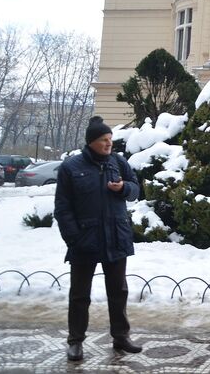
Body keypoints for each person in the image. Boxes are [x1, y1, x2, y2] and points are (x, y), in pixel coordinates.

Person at [53, 116, 142, 362]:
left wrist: (124, 188)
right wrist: (74, 238)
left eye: (110, 139)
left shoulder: (118, 162)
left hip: (116, 237)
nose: (108, 143)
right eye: (103, 139)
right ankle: (75, 341)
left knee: (118, 292)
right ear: (91, 142)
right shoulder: (71, 167)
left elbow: (135, 189)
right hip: (85, 241)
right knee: (79, 295)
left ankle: (121, 337)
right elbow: (62, 208)